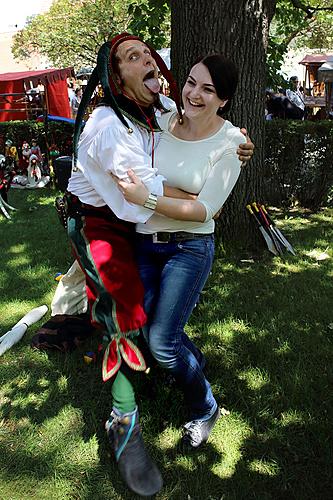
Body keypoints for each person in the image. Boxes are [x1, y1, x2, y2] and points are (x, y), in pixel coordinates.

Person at [33, 33, 254, 497]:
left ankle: (180, 367)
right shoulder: (111, 124)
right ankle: (124, 423)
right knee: (123, 315)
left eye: (148, 52)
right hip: (101, 224)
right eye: (132, 57)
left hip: (153, 231)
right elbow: (139, 200)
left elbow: (195, 150)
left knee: (156, 333)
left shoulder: (157, 110)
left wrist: (232, 148)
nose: (148, 60)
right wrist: (195, 198)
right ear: (116, 77)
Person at [113, 53, 246, 451]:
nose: (195, 94)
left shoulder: (232, 143)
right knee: (149, 327)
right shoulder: (162, 116)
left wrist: (148, 198)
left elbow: (206, 210)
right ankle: (194, 361)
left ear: (224, 100)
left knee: (161, 346)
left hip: (189, 249)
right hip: (144, 243)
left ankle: (204, 407)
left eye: (208, 89)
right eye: (191, 82)